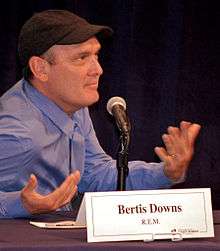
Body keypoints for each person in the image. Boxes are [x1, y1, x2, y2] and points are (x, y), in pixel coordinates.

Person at [0, 9, 200, 218]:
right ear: (40, 69)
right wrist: (21, 205)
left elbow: (94, 174)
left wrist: (166, 173)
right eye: (82, 57)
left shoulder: (73, 105)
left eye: (96, 55)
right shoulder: (15, 131)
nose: (98, 69)